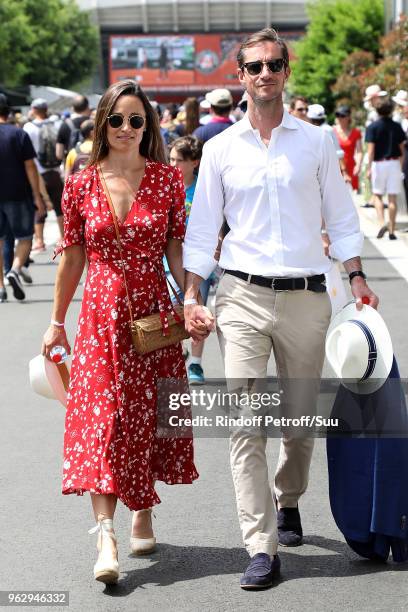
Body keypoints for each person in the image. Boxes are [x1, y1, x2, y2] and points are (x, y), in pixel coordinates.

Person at [183, 27, 378, 590]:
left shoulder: (315, 143)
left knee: (297, 426)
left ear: (285, 71)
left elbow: (341, 219)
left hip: (307, 298)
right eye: (254, 66)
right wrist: (192, 294)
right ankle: (261, 546)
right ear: (239, 76)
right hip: (240, 295)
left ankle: (288, 497)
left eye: (274, 64)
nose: (265, 73)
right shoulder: (220, 149)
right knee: (247, 425)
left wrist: (357, 278)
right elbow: (201, 233)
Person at [41, 79, 199, 584]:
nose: (127, 129)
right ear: (101, 124)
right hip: (101, 319)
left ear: (148, 126)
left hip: (153, 316)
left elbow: (175, 248)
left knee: (149, 417)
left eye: (137, 121)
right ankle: (106, 535)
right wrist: (55, 322)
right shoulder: (80, 185)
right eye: (118, 120)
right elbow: (71, 259)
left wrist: (190, 300)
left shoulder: (166, 181)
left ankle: (143, 510)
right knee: (102, 420)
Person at [168, 135, 211, 384]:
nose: (173, 165)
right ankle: (177, 351)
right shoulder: (164, 188)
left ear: (194, 163)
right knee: (173, 308)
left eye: (179, 160)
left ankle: (195, 364)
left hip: (197, 260)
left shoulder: (203, 189)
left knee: (196, 306)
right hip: (168, 260)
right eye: (171, 159)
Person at [0, 94, 44, 302]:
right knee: (25, 237)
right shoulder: (18, 134)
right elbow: (30, 166)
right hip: (18, 194)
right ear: (8, 112)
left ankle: (1, 287)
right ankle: (15, 270)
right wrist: (37, 196)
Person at [24, 98, 64, 246]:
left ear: (34, 110)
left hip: (37, 172)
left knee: (39, 205)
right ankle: (63, 236)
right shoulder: (57, 123)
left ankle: (39, 240)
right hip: (55, 171)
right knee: (59, 206)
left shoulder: (28, 127)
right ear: (46, 109)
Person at [365, 99, 406, 240]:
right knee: (392, 197)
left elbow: (371, 150)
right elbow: (402, 148)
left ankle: (382, 222)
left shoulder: (372, 127)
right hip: (394, 162)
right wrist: (400, 165)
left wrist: (369, 168)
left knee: (377, 195)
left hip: (379, 163)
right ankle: (392, 230)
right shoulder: (396, 126)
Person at [333, 105, 363, 192]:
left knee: (351, 197)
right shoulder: (332, 131)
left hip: (351, 167)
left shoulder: (356, 132)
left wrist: (358, 165)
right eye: (337, 115)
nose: (340, 118)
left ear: (348, 117)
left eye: (342, 116)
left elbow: (359, 151)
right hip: (336, 168)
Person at [56, 95, 91, 162]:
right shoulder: (94, 123)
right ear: (87, 107)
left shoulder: (64, 125)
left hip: (73, 166)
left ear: (72, 108)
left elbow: (59, 154)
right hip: (94, 165)